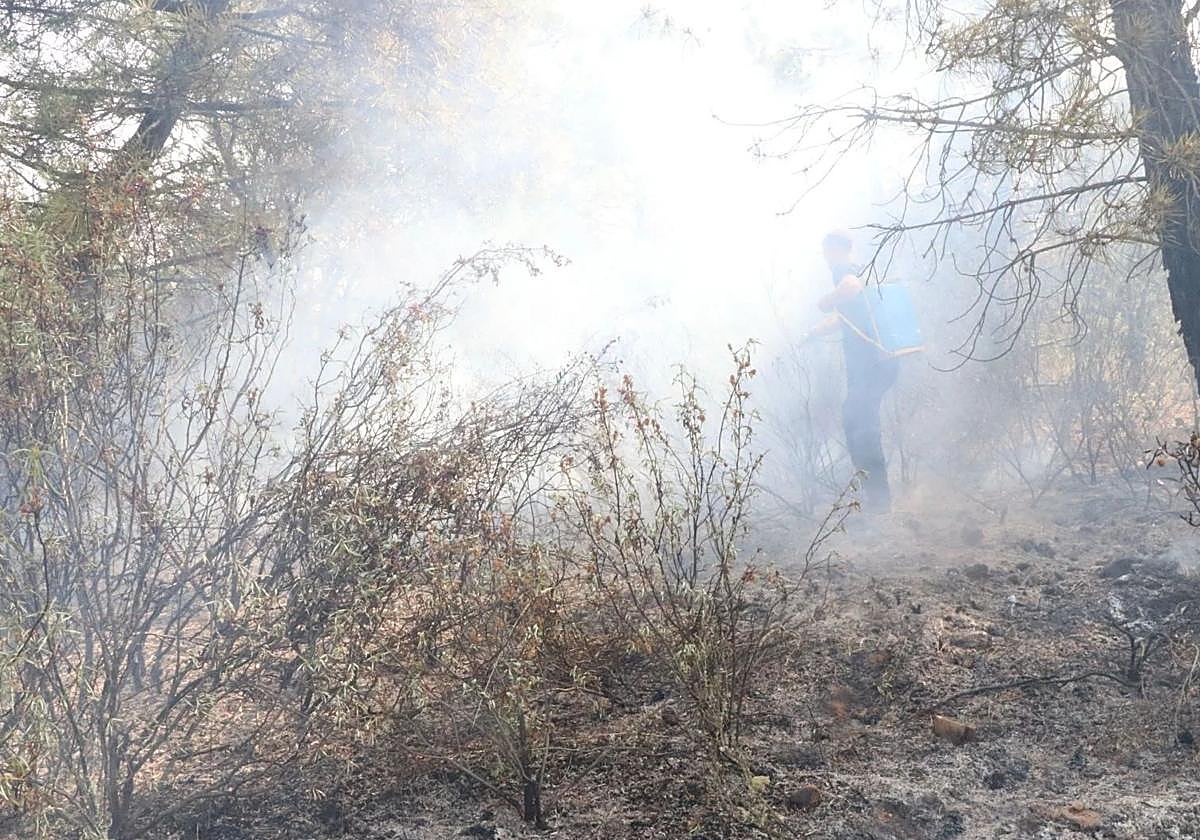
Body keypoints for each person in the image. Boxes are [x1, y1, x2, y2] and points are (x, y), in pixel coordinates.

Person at [802, 231, 899, 513]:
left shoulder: (846, 271)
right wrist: (815, 332)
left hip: (872, 366)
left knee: (861, 429)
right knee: (859, 425)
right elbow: (846, 315)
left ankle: (880, 505)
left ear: (838, 249)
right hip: (879, 365)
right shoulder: (860, 271)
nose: (825, 258)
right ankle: (878, 500)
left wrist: (826, 300)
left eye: (827, 251)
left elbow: (850, 287)